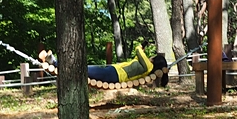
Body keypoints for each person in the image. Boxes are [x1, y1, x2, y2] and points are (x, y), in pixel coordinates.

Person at [39, 44, 168, 86]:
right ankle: (55, 62)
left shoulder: (148, 65)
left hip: (114, 74)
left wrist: (141, 46)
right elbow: (137, 58)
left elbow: (138, 50)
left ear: (154, 59)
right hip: (113, 72)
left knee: (84, 70)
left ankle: (54, 62)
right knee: (86, 70)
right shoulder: (147, 67)